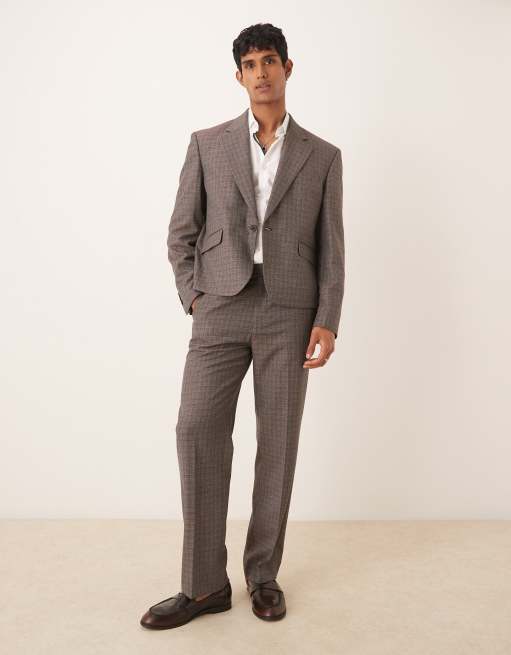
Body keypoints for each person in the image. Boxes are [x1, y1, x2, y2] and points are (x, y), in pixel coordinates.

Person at [140, 21, 345, 630]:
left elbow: (332, 248)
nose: (261, 73)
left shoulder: (323, 156)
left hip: (290, 311)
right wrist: (194, 298)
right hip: (220, 306)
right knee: (197, 430)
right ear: (239, 76)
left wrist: (327, 318)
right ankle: (204, 584)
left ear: (287, 68)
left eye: (269, 61)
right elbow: (181, 232)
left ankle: (263, 575)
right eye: (250, 64)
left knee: (278, 443)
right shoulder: (207, 144)